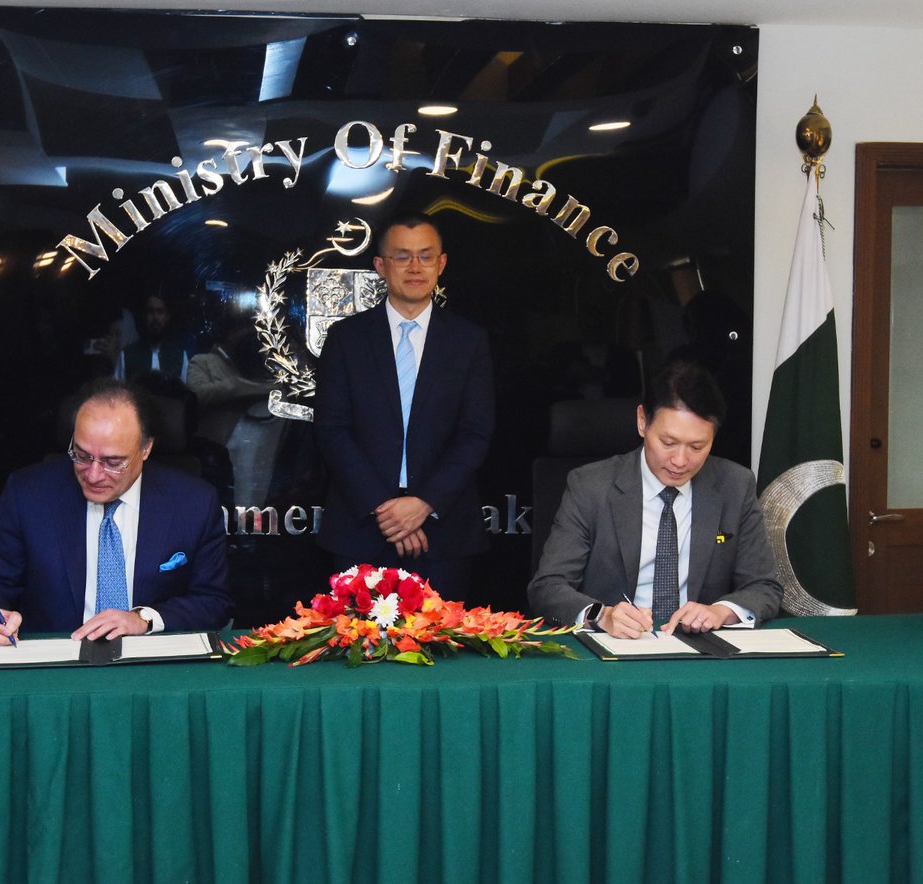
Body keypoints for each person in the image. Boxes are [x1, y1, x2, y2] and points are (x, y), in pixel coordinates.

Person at [0, 378, 231, 645]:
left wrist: (144, 619)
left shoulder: (193, 503)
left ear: (145, 448)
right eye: (82, 456)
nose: (94, 474)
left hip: (151, 666)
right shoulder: (29, 495)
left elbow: (212, 602)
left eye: (113, 462)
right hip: (54, 666)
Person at [527, 360, 783, 638]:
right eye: (668, 443)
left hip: (700, 649)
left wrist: (721, 611)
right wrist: (602, 615)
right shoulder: (591, 486)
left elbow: (764, 587)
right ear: (642, 421)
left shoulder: (735, 485)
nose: (680, 461)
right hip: (614, 648)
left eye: (697, 446)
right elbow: (548, 587)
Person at [313, 213, 494, 599]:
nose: (415, 267)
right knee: (357, 651)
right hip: (361, 527)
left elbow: (475, 433)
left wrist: (424, 503)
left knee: (443, 653)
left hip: (443, 533)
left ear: (441, 264)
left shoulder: (469, 341)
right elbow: (331, 430)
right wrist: (386, 508)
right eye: (402, 257)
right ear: (380, 266)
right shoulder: (346, 339)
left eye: (426, 257)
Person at [115, 292, 188, 382]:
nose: (155, 317)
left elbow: (185, 393)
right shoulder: (126, 355)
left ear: (167, 317)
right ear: (144, 316)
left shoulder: (180, 356)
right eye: (150, 311)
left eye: (160, 312)